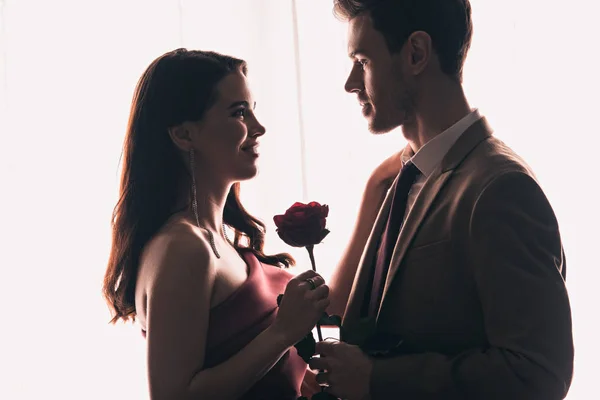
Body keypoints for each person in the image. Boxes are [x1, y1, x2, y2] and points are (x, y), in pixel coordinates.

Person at [310, 1, 575, 399]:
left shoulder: (499, 188)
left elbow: (536, 374)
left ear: (416, 53)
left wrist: (377, 379)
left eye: (362, 61)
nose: (350, 82)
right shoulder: (400, 177)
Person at [102, 48, 330, 400]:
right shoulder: (183, 246)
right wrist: (282, 333)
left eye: (253, 110)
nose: (259, 128)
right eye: (239, 113)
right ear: (184, 135)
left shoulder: (216, 240)